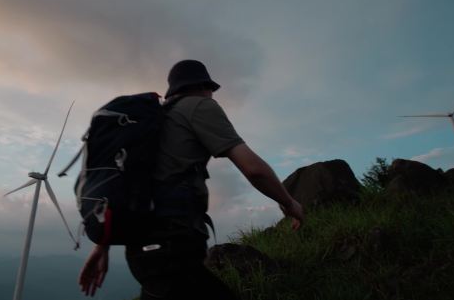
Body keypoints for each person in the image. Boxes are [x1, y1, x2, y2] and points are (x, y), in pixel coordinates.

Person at [79, 59, 304, 299]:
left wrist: (102, 244)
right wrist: (289, 203)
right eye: (211, 91)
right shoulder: (200, 106)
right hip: (173, 247)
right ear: (204, 86)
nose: (211, 97)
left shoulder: (153, 122)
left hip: (140, 251)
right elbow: (253, 169)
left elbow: (130, 182)